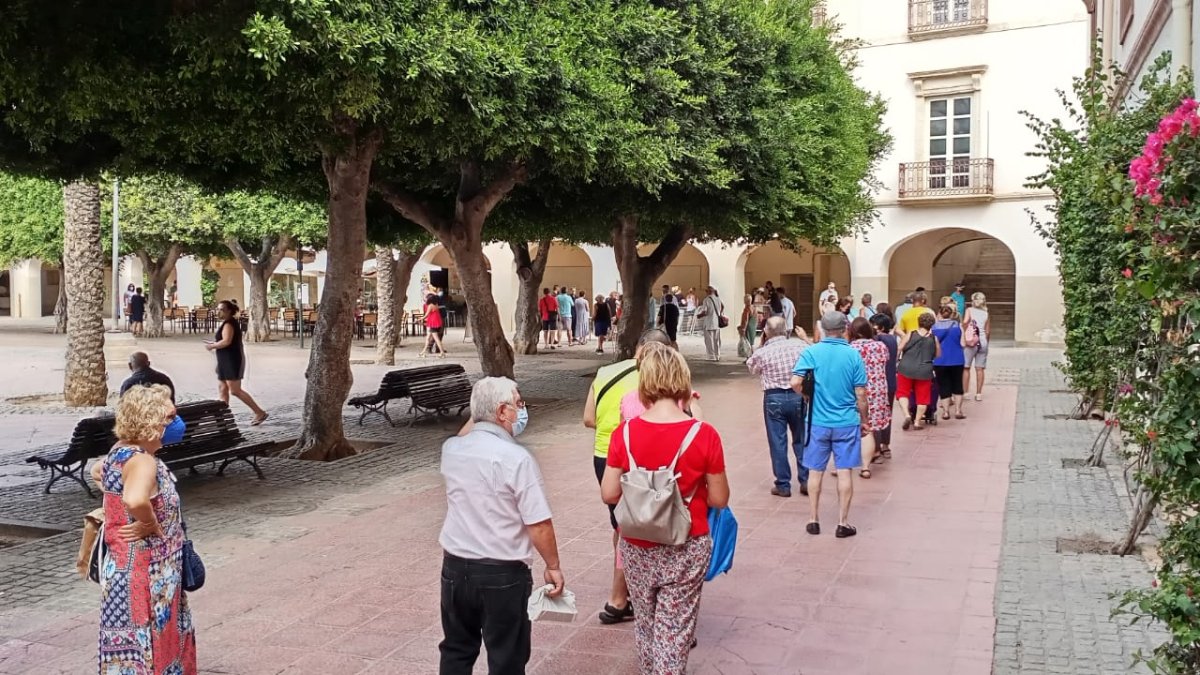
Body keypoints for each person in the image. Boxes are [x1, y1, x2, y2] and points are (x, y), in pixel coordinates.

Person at [601, 342, 729, 674]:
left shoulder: (624, 433)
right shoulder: (704, 435)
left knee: (646, 626)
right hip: (686, 542)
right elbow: (719, 499)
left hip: (637, 544)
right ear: (684, 382)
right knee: (675, 631)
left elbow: (609, 492)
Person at [438, 377, 563, 674]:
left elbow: (465, 434)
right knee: (507, 655)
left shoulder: (452, 449)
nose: (522, 410)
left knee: (456, 648)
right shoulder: (517, 459)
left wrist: (479, 411)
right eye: (518, 405)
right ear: (503, 412)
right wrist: (553, 565)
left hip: (455, 568)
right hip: (502, 571)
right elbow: (539, 524)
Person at [90, 384, 197, 675]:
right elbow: (135, 499)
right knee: (149, 640)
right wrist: (148, 523)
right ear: (151, 421)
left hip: (128, 566)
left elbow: (98, 472)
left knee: (134, 642)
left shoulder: (121, 451)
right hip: (148, 570)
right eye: (169, 417)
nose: (173, 423)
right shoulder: (143, 461)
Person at [583, 329, 673, 626]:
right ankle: (619, 598)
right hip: (639, 459)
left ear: (637, 347)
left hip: (604, 456)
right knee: (634, 528)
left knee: (620, 522)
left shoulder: (606, 371)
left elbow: (589, 419)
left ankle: (625, 591)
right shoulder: (662, 380)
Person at [790, 311, 868, 538]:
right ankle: (843, 523)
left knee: (815, 471)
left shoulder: (811, 352)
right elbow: (861, 393)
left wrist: (806, 395)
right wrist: (865, 420)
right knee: (844, 471)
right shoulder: (853, 355)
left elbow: (795, 381)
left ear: (823, 329)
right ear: (845, 328)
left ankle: (813, 519)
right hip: (846, 421)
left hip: (817, 422)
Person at [747, 316, 812, 497]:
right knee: (801, 438)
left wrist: (761, 345)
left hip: (774, 397)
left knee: (778, 442)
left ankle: (783, 484)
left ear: (766, 332)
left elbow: (751, 367)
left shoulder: (763, 352)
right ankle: (805, 479)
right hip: (798, 395)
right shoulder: (800, 346)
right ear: (786, 330)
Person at [205, 300, 268, 425]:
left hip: (232, 360)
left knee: (235, 390)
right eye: (217, 309)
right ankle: (223, 417)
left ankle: (259, 412)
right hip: (224, 360)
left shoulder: (229, 324)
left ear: (229, 311)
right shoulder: (226, 323)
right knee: (222, 388)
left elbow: (226, 341)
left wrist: (212, 346)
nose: (218, 312)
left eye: (221, 309)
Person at [849, 318, 890, 478]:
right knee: (869, 428)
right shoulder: (880, 346)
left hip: (857, 389)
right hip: (878, 389)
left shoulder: (851, 348)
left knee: (854, 427)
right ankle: (865, 466)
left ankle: (846, 464)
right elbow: (885, 361)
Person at [896, 312, 940, 430]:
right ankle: (917, 422)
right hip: (924, 370)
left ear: (919, 322)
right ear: (932, 324)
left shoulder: (911, 334)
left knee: (902, 393)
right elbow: (938, 354)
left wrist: (896, 361)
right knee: (923, 397)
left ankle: (906, 414)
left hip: (906, 367)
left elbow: (900, 347)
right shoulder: (933, 338)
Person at [869, 313, 899, 460]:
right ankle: (885, 445)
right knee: (887, 414)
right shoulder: (892, 339)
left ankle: (876, 447)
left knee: (876, 415)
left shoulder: (878, 340)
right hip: (891, 381)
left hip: (879, 382)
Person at [932, 304, 966, 420]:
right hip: (957, 359)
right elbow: (963, 344)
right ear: (952, 314)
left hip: (940, 360)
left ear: (940, 313)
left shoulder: (934, 328)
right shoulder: (958, 325)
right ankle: (958, 410)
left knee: (943, 386)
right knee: (957, 385)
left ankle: (946, 412)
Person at [962, 292, 991, 401]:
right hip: (983, 342)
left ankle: (966, 393)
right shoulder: (986, 313)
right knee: (980, 369)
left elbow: (965, 323)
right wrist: (986, 343)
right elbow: (988, 331)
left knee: (966, 367)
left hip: (971, 341)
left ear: (973, 301)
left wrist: (963, 333)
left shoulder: (969, 310)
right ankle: (978, 393)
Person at [696, 285, 724, 361]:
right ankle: (717, 355)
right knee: (716, 340)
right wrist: (720, 314)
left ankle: (711, 356)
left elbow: (705, 312)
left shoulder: (706, 300)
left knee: (709, 340)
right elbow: (723, 306)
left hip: (709, 323)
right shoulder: (718, 299)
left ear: (707, 292)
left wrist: (699, 316)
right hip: (717, 323)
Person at [419, 292, 448, 358]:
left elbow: (426, 315)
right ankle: (423, 352)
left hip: (433, 324)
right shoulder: (436, 304)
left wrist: (420, 319)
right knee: (428, 338)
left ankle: (442, 352)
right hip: (436, 323)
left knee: (436, 339)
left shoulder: (430, 306)